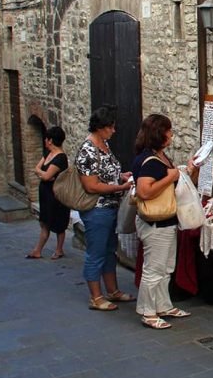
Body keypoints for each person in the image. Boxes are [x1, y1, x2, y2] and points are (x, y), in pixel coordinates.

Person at [132, 114, 191, 329]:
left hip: (166, 221)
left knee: (166, 268)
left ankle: (163, 305)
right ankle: (148, 312)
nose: (171, 134)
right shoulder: (149, 161)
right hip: (155, 223)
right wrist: (170, 177)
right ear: (159, 134)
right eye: (168, 130)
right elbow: (144, 191)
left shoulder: (159, 156)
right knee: (153, 269)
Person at [76, 106, 135, 311]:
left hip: (111, 208)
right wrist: (120, 187)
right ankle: (96, 296)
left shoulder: (104, 145)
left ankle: (113, 291)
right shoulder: (88, 151)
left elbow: (107, 173)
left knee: (110, 251)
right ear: (100, 128)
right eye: (110, 127)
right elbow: (91, 185)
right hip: (97, 210)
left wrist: (121, 176)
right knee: (96, 252)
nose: (113, 131)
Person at [26, 126, 71, 260]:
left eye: (46, 139)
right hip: (46, 193)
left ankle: (59, 250)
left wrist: (44, 175)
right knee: (44, 221)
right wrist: (44, 175)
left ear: (50, 140)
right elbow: (37, 169)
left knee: (58, 222)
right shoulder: (47, 154)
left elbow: (45, 176)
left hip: (55, 195)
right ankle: (37, 250)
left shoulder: (60, 158)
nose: (45, 141)